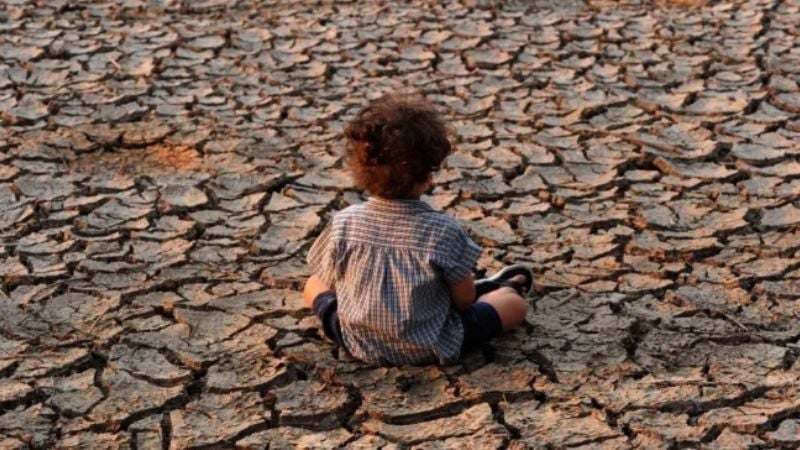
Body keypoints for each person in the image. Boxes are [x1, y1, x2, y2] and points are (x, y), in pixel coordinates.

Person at [302, 93, 532, 366]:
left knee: (312, 283)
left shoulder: (344, 223)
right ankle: (499, 288)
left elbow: (329, 282)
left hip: (357, 340)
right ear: (427, 173)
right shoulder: (443, 231)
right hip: (430, 345)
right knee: (513, 304)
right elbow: (464, 301)